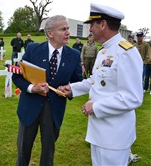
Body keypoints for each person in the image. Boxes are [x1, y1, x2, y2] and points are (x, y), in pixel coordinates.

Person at [59, 3, 143, 166]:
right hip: (100, 132)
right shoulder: (104, 51)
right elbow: (96, 81)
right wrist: (72, 89)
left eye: (92, 24)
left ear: (103, 24)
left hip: (114, 136)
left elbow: (133, 98)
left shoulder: (125, 52)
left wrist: (96, 107)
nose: (90, 29)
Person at [12, 15, 83, 166]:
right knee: (23, 151)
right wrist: (32, 88)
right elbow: (17, 77)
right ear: (50, 33)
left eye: (68, 28)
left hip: (54, 110)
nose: (68, 33)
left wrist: (70, 90)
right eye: (63, 29)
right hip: (29, 108)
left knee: (48, 153)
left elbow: (77, 82)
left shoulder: (74, 55)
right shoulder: (32, 49)